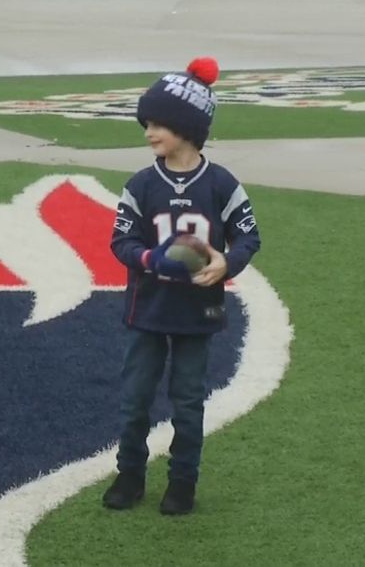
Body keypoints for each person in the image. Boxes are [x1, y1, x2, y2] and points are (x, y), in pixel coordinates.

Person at [103, 57, 261, 515]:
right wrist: (151, 258)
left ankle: (182, 483)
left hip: (198, 311)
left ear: (188, 128)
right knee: (135, 400)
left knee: (189, 403)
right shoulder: (141, 184)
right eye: (146, 123)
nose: (149, 132)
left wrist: (225, 262)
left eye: (159, 124)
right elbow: (121, 241)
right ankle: (130, 474)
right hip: (147, 309)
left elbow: (249, 235)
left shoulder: (221, 184)